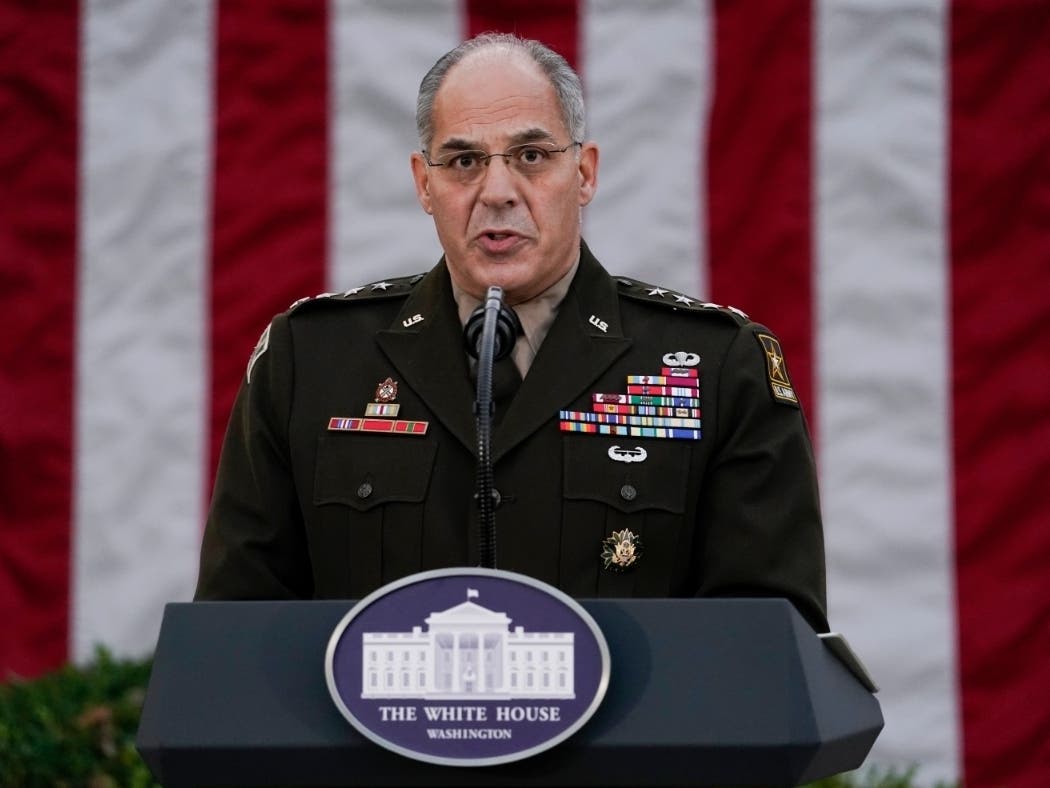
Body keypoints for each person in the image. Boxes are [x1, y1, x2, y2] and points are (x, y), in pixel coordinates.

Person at [195, 33, 828, 633]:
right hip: (378, 749)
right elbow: (237, 641)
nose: (497, 192)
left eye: (531, 156)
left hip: (626, 750)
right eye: (464, 160)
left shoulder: (719, 368)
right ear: (424, 183)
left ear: (584, 174)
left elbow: (768, 655)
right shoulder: (311, 362)